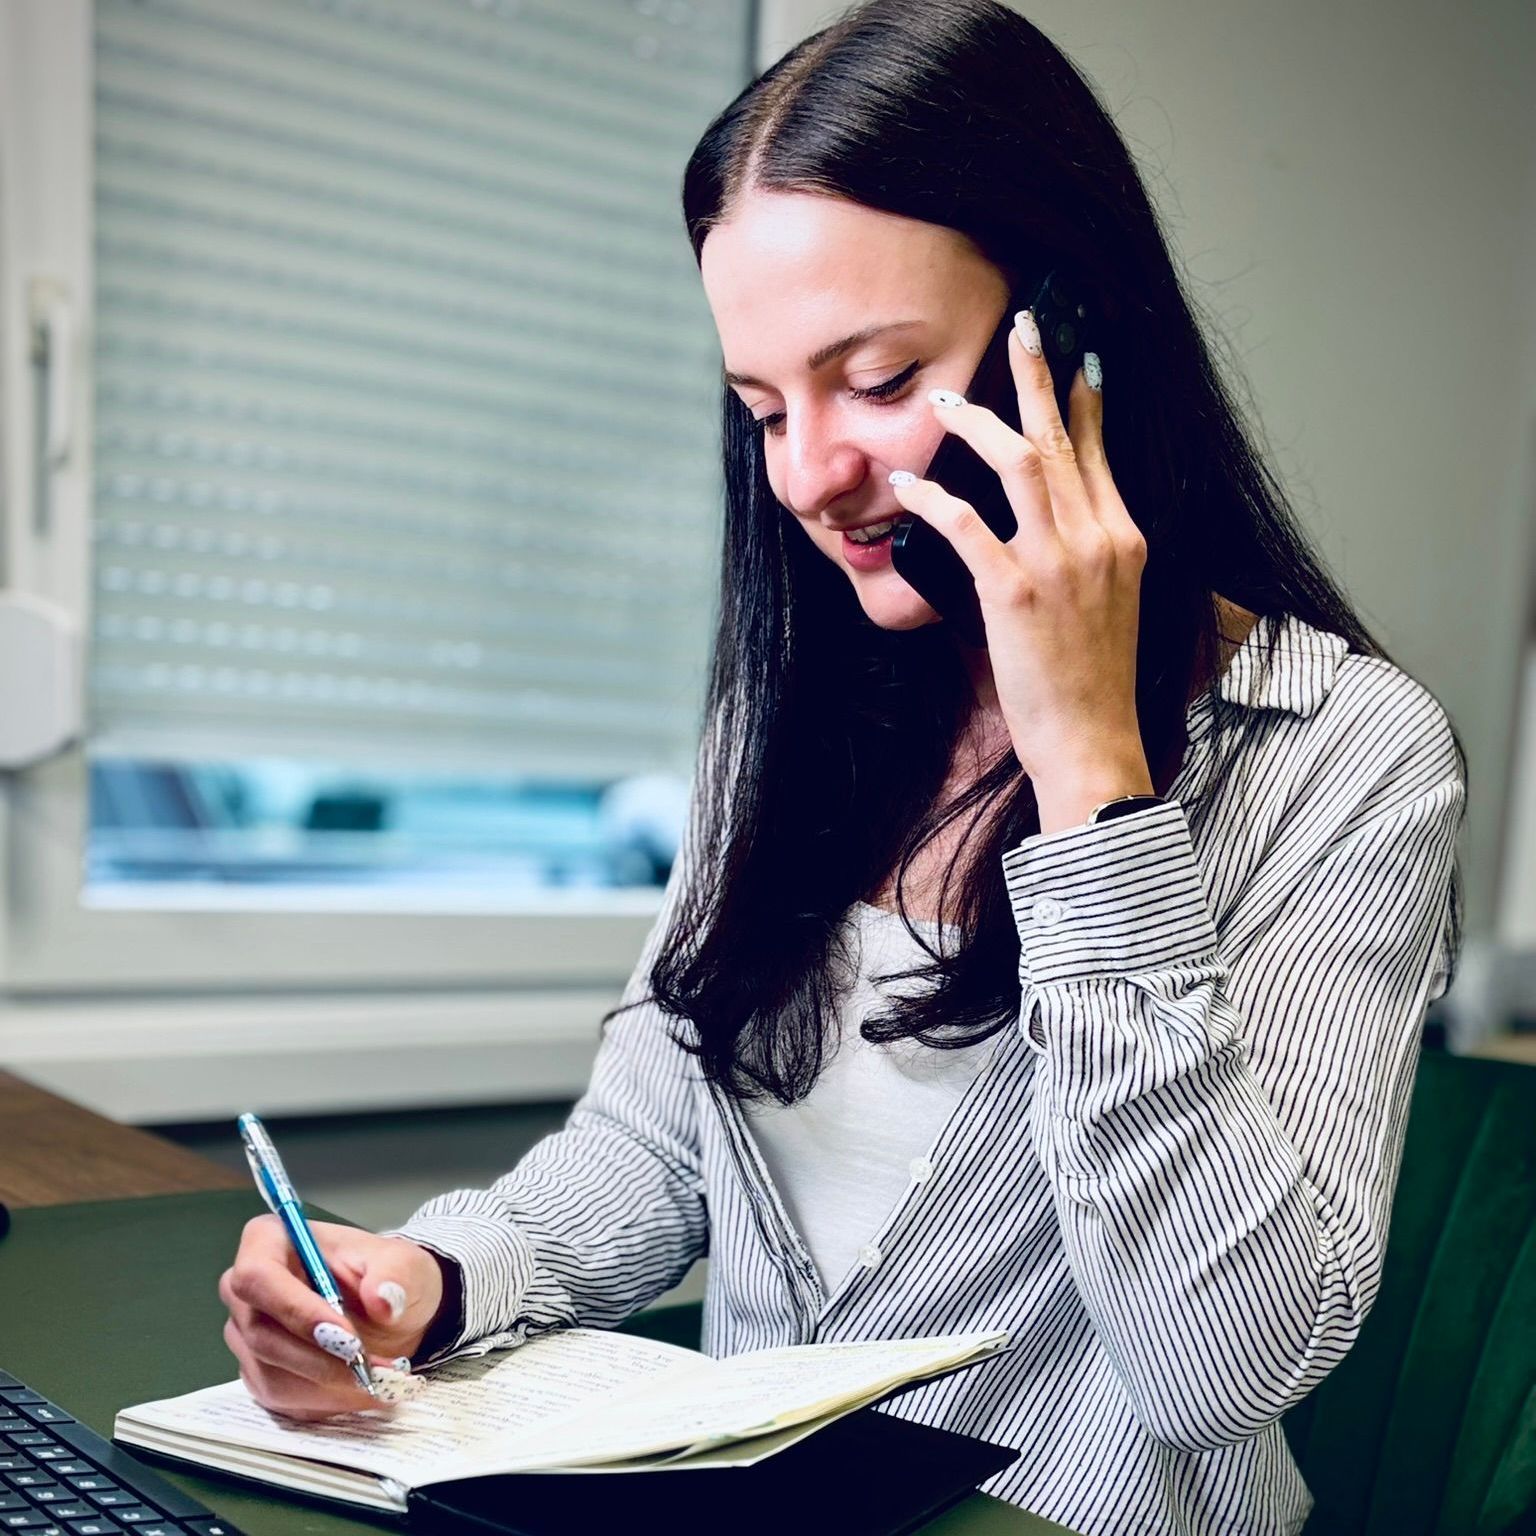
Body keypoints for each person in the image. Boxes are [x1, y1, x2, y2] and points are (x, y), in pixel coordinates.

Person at [218, 1, 1469, 1531]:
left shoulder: (1348, 753)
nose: (808, 473)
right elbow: (649, 1154)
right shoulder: (796, 709)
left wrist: (1087, 773)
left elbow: (1217, 1358)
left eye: (876, 382)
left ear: (1073, 336)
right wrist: (430, 1277)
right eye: (762, 409)